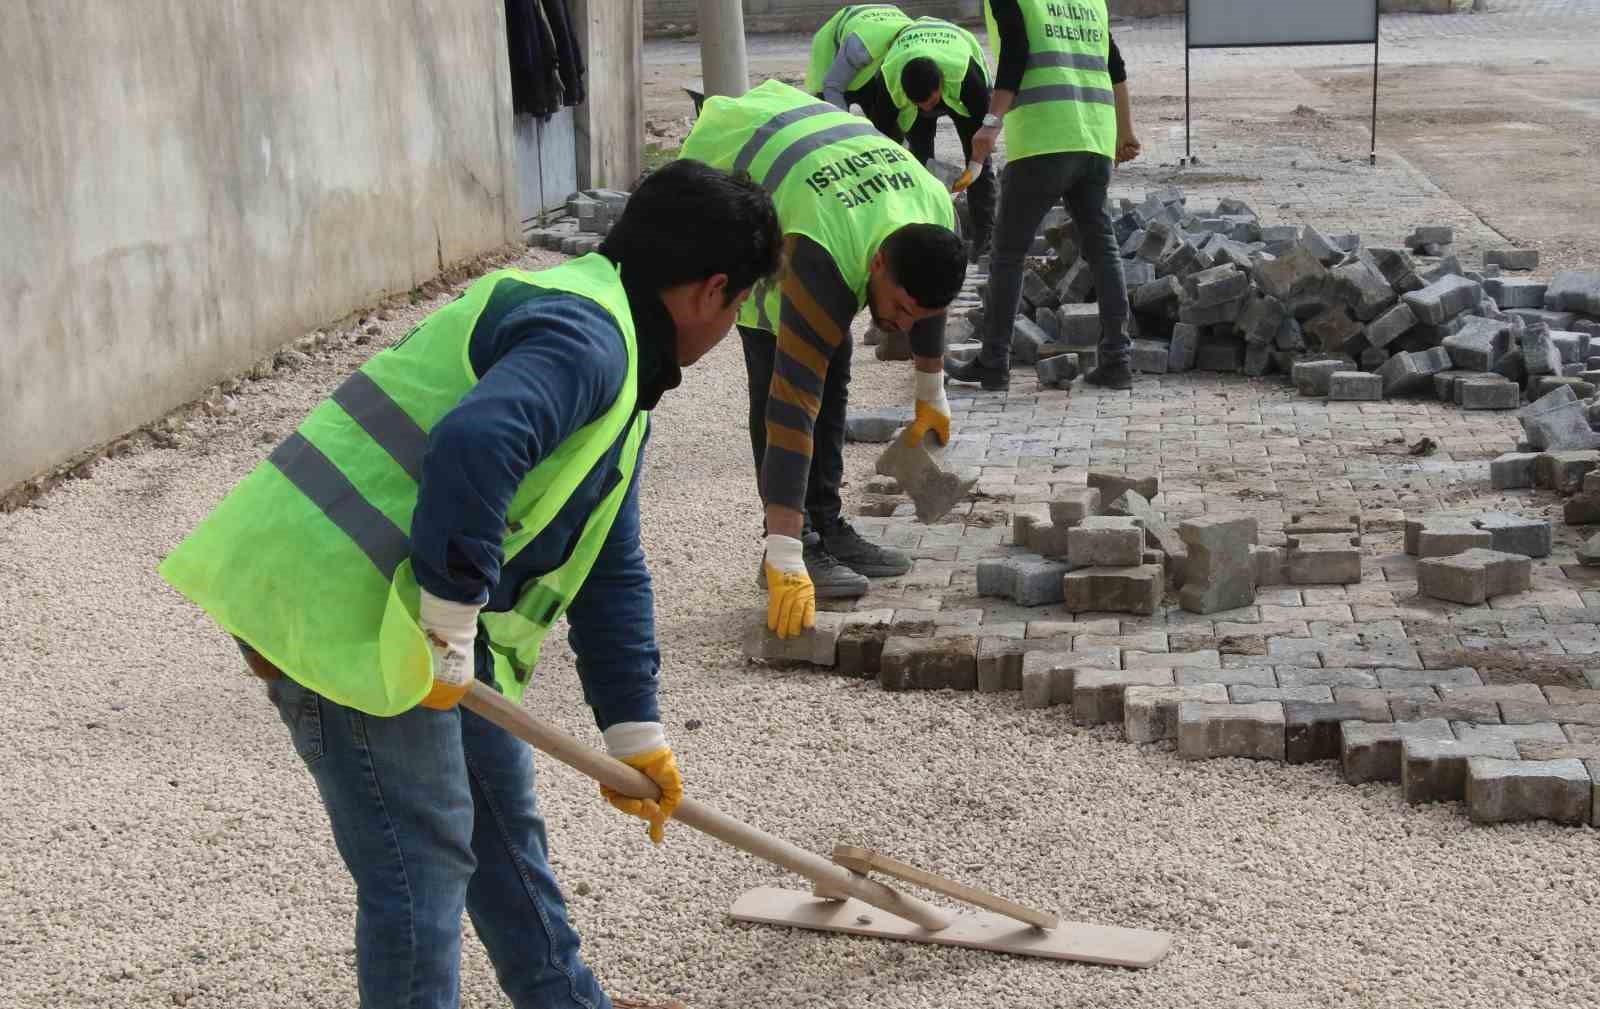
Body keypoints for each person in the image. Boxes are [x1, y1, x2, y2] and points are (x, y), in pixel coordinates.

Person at [156, 159, 783, 1009]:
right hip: (349, 604)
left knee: (500, 817)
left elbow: (608, 561)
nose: (734, 317)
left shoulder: (618, 359)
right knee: (424, 857)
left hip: (416, 612)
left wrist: (634, 730)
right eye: (742, 299)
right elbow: (475, 442)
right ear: (712, 290)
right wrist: (449, 622)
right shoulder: (589, 338)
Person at [678, 79, 968, 633]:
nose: (904, 327)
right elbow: (793, 402)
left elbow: (927, 306)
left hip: (822, 163)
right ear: (879, 262)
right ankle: (796, 542)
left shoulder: (936, 208)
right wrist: (783, 550)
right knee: (783, 377)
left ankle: (829, 523)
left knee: (836, 371)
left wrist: (931, 390)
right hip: (739, 165)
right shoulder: (821, 248)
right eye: (901, 309)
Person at [943, 0, 1143, 393]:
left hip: (1043, 138)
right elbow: (1113, 63)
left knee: (1008, 254)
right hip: (1094, 138)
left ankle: (994, 362)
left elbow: (1016, 50)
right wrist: (1125, 130)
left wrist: (990, 124)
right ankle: (1118, 361)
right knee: (1103, 249)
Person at [866, 16, 999, 261]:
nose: (928, 110)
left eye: (932, 104)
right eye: (921, 105)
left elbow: (987, 131)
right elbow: (880, 142)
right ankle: (923, 234)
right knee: (919, 162)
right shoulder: (888, 83)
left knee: (980, 158)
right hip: (912, 68)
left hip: (960, 87)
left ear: (940, 86)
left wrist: (974, 168)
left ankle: (985, 239)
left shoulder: (966, 75)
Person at [804, 4, 912, 115]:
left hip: (878, 29)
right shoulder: (861, 47)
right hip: (835, 43)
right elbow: (832, 87)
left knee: (882, 104)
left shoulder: (912, 50)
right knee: (829, 105)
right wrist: (844, 124)